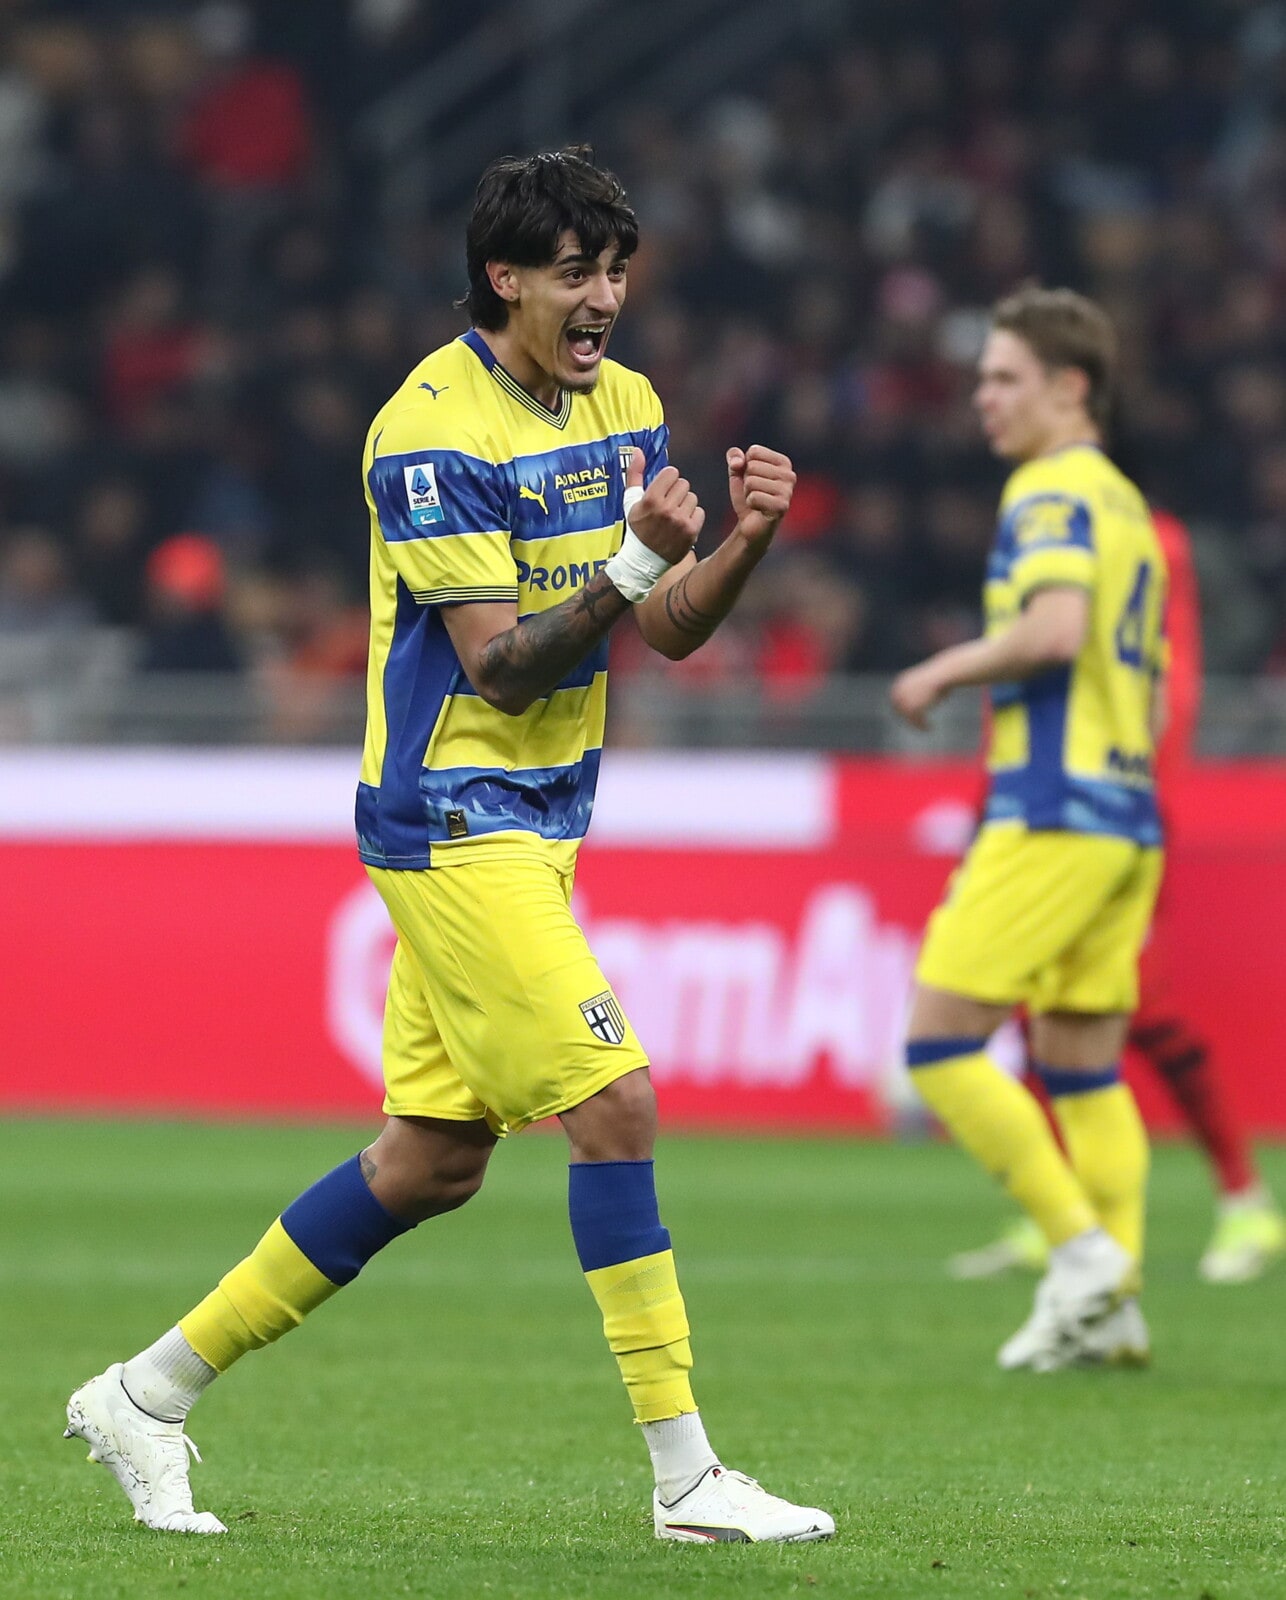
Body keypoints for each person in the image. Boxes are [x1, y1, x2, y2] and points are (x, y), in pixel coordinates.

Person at [63, 148, 833, 1545]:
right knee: (615, 1106)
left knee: (429, 1160)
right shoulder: (427, 434)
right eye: (574, 274)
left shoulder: (626, 405)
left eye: (615, 272)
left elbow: (663, 628)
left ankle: (145, 1394)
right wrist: (634, 560)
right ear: (504, 277)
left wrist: (742, 545)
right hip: (452, 816)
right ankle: (686, 1480)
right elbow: (498, 668)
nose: (602, 300)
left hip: (546, 817)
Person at [889, 285, 1166, 1373]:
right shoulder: (1126, 503)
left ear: (1070, 387)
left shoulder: (1047, 489)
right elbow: (1144, 685)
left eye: (1004, 378)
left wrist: (941, 668)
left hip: (1051, 810)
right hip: (1127, 813)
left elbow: (1053, 631)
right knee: (1080, 1064)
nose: (983, 398)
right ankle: (1118, 1305)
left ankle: (1080, 1253)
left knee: (937, 1043)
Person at [950, 509, 1285, 1287]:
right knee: (1038, 1013)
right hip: (1038, 816)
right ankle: (1061, 1217)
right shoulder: (1040, 530)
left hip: (1108, 820)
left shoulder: (1131, 540)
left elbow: (1160, 685)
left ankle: (1244, 1201)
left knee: (1139, 1010)